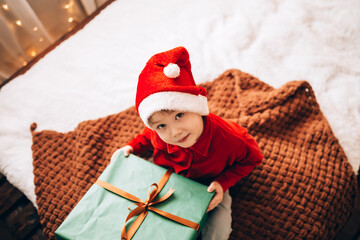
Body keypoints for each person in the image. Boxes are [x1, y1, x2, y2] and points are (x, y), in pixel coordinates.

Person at [111, 46, 263, 240]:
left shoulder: (230, 139)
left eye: (180, 115)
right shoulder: (159, 133)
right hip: (166, 174)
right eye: (162, 126)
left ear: (196, 107)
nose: (175, 132)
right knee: (132, 205)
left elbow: (253, 158)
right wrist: (131, 147)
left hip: (207, 185)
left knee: (218, 230)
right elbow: (146, 136)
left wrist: (222, 183)